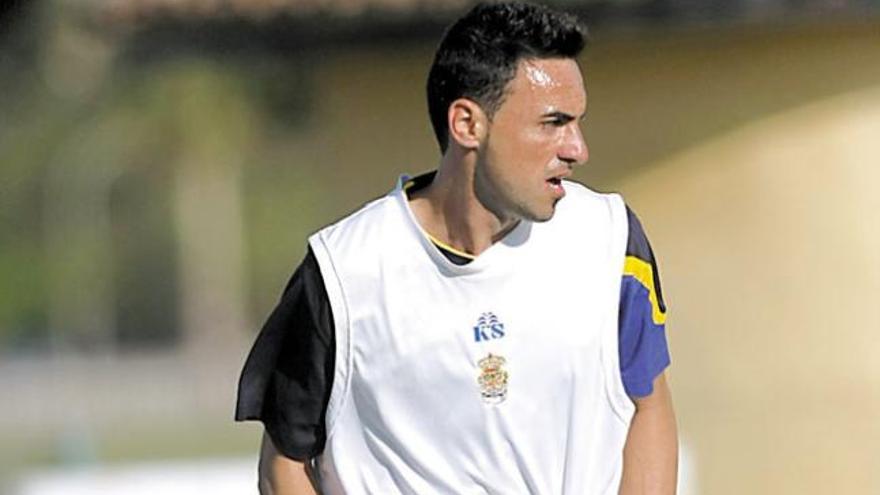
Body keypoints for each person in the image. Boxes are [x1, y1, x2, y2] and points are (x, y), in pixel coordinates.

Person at [236, 2, 678, 494]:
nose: (578, 148)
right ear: (467, 124)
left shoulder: (610, 238)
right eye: (553, 122)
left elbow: (649, 404)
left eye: (577, 122)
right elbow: (285, 465)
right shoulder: (342, 272)